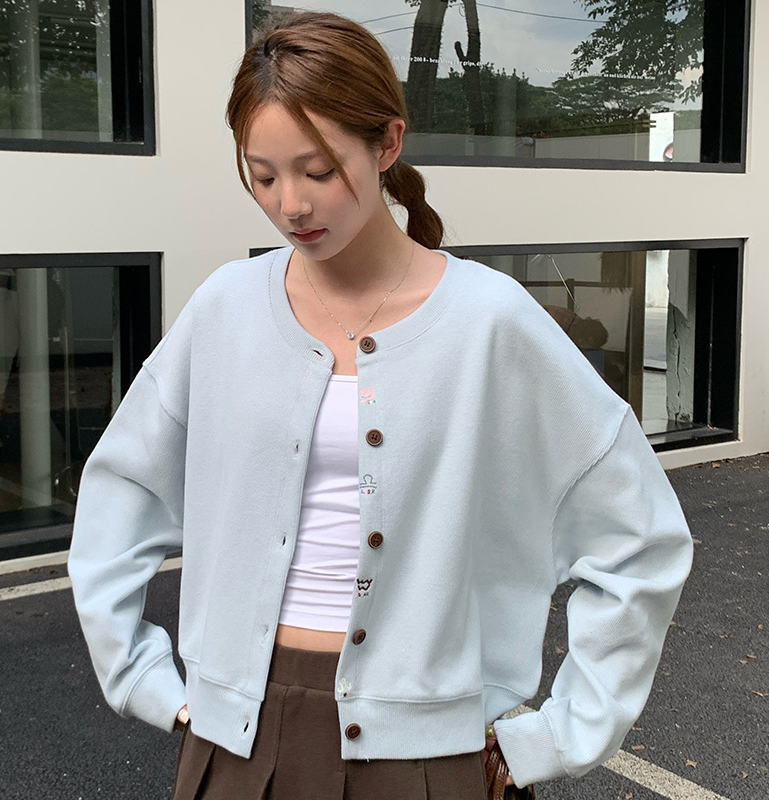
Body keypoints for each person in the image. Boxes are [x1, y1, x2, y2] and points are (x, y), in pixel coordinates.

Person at [68, 11, 693, 800]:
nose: (291, 204)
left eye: (318, 170)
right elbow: (120, 493)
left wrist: (560, 734)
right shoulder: (225, 310)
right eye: (263, 175)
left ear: (388, 143)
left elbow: (640, 539)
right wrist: (143, 678)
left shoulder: (490, 322)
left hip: (435, 752)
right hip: (239, 736)